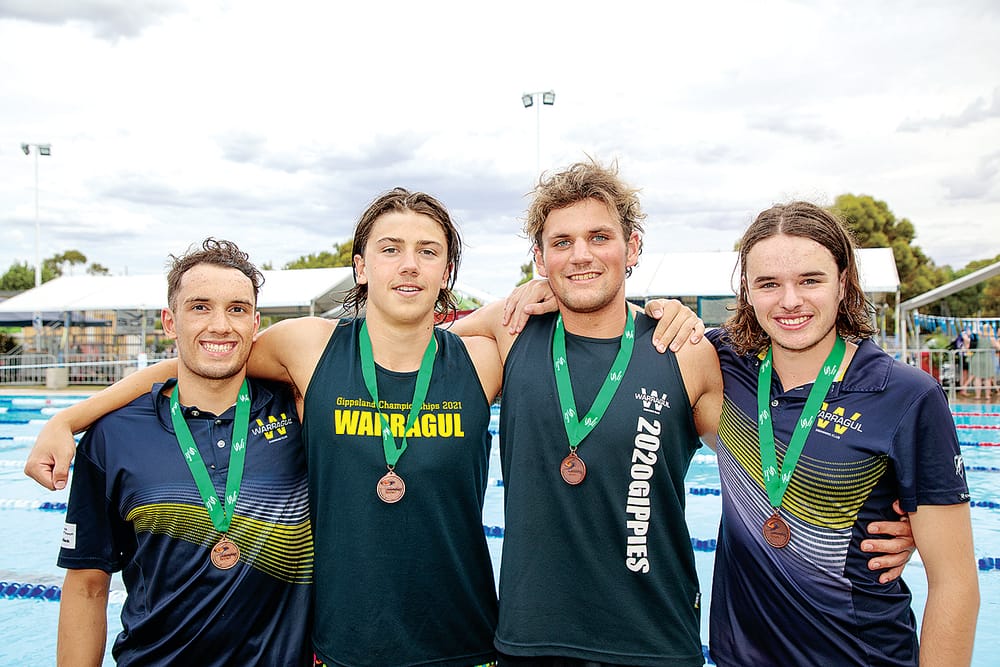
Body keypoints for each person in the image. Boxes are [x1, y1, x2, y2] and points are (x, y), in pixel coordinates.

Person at [29, 188, 703, 667]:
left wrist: (663, 310)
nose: (408, 264)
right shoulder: (310, 347)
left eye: (427, 251)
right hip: (340, 647)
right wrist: (72, 415)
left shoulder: (487, 356)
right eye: (390, 249)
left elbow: (593, 309)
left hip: (464, 642)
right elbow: (200, 358)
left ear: (446, 274)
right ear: (360, 266)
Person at [647, 202, 979, 665]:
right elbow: (611, 320)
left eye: (810, 280)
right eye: (769, 284)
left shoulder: (906, 396)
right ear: (746, 289)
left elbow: (955, 583)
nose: (789, 301)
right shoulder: (720, 363)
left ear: (843, 283)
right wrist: (532, 293)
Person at [449, 159, 724, 665]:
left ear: (633, 247)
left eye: (600, 237)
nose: (581, 256)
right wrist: (501, 306)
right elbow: (408, 360)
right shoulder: (511, 334)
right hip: (533, 637)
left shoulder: (683, 349)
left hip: (655, 639)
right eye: (561, 242)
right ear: (539, 257)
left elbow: (763, 458)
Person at [56, 239, 313, 665]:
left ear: (255, 323)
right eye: (199, 307)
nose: (220, 325)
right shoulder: (113, 436)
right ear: (169, 322)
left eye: (237, 309)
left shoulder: (303, 416)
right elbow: (86, 585)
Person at [964, 323, 999, 400]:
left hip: (977, 358)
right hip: (987, 358)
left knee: (977, 377)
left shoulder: (977, 337)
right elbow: (998, 347)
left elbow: (968, 343)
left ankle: (978, 395)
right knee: (987, 378)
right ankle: (987, 395)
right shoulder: (991, 338)